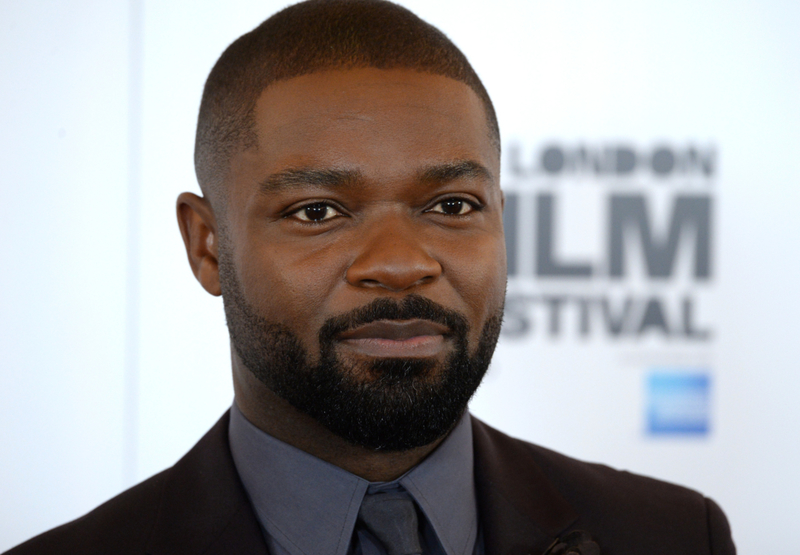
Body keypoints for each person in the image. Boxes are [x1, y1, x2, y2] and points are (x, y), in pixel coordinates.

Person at [5, 1, 736, 554]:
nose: (399, 261)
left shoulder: (673, 536)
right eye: (318, 211)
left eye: (453, 205)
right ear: (207, 246)